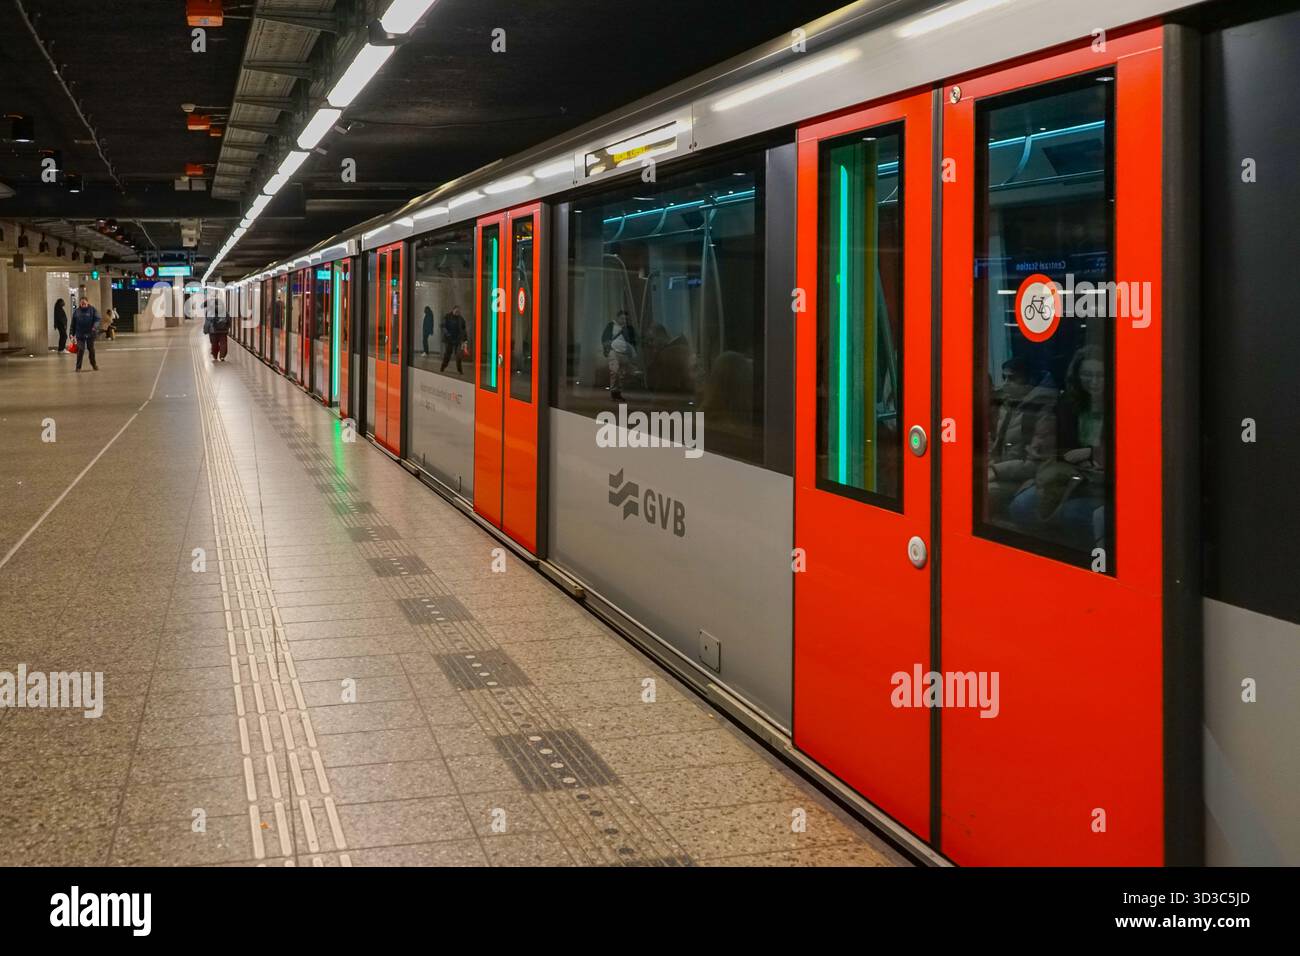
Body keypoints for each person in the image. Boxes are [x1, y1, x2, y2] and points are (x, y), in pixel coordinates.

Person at [601, 309, 637, 401]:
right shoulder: (611, 325)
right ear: (618, 318)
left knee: (622, 374)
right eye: (622, 318)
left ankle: (618, 392)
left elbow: (632, 341)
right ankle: (614, 392)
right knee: (614, 371)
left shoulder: (628, 328)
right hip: (613, 351)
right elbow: (605, 338)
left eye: (625, 319)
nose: (624, 321)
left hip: (624, 353)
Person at [70, 296, 100, 372]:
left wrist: (94, 327)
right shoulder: (77, 311)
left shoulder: (92, 310)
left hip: (90, 333)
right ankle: (78, 367)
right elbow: (73, 324)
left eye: (84, 303)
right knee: (80, 349)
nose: (83, 304)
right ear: (80, 303)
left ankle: (93, 364)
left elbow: (97, 319)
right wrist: (71, 334)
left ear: (87, 302)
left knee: (91, 350)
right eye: (81, 303)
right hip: (80, 334)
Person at [439, 305, 467, 374]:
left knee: (458, 355)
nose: (458, 312)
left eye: (459, 311)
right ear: (453, 310)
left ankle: (460, 370)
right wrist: (447, 334)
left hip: (458, 339)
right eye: (456, 311)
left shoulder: (461, 319)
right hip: (449, 339)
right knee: (447, 354)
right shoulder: (447, 316)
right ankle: (443, 367)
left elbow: (463, 330)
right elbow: (443, 326)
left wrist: (465, 339)